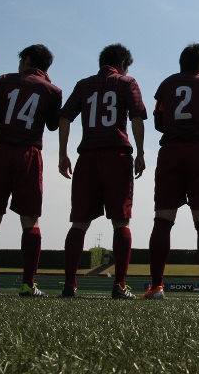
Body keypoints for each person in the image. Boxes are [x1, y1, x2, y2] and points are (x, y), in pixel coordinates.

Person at [143, 43, 199, 301]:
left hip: (170, 152)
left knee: (162, 220)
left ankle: (156, 287)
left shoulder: (166, 85)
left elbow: (159, 122)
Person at [0, 45, 62, 297]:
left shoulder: (4, 80)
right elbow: (54, 125)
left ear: (27, 59)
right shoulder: (52, 90)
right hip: (29, 154)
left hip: (0, 150)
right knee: (30, 219)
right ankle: (28, 283)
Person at [58, 43, 147, 300]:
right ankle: (119, 285)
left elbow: (65, 117)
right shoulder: (127, 82)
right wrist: (140, 152)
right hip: (116, 155)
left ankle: (69, 284)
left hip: (87, 155)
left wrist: (63, 152)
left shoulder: (84, 84)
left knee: (79, 223)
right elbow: (137, 117)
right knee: (121, 221)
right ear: (122, 64)